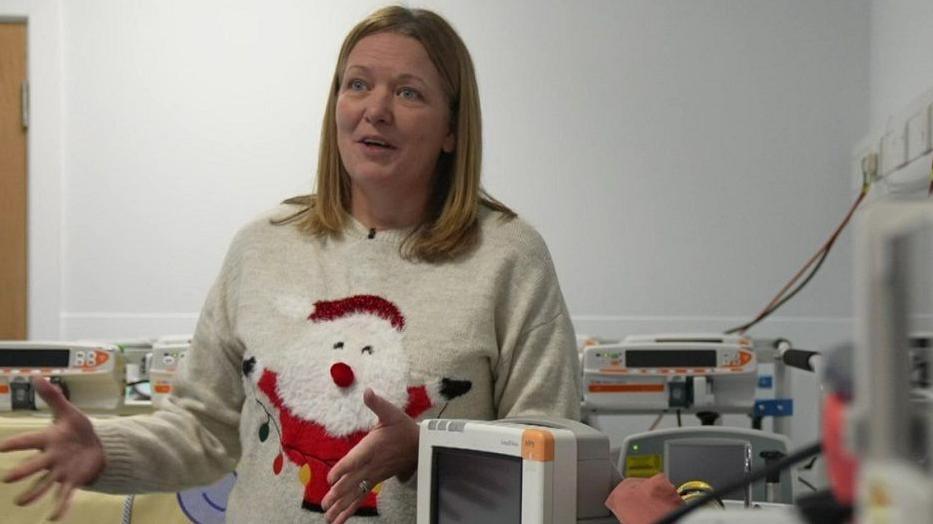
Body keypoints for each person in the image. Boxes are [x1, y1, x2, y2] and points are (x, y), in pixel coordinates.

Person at [0, 6, 580, 523]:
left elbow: (556, 446)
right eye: (358, 85)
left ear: (452, 128)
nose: (375, 109)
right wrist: (105, 449)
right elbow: (205, 429)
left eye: (408, 93)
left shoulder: (507, 256)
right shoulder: (261, 247)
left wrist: (428, 448)